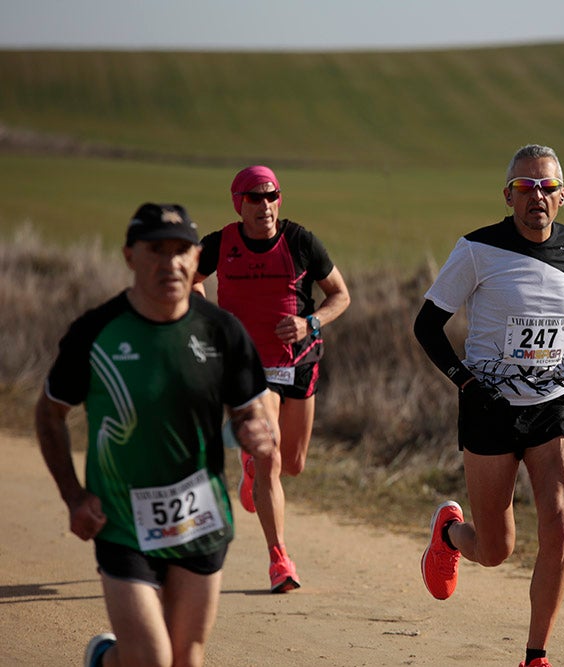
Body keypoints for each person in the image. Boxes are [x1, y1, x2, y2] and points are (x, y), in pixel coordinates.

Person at [35, 203, 277, 667]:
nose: (171, 263)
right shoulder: (95, 331)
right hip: (122, 518)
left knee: (184, 657)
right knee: (152, 660)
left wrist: (255, 432)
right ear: (130, 256)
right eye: (156, 250)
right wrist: (72, 496)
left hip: (200, 516)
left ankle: (106, 660)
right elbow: (49, 415)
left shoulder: (221, 331)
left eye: (182, 250)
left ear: (196, 257)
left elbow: (249, 410)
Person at [413, 144, 564, 667]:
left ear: (562, 196)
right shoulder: (477, 250)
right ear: (508, 195)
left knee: (559, 522)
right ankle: (450, 534)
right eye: (525, 187)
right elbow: (427, 325)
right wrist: (464, 381)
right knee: (496, 549)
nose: (537, 196)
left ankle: (536, 655)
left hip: (554, 406)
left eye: (547, 187)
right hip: (489, 409)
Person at [193, 165, 350, 593]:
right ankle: (279, 560)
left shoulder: (300, 241)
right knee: (273, 460)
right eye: (254, 198)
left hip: (298, 362)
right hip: (248, 367)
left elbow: (341, 294)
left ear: (279, 199)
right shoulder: (219, 244)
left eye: (270, 196)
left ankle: (251, 468)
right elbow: (189, 280)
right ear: (237, 204)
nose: (264, 205)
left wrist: (310, 324)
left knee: (293, 464)